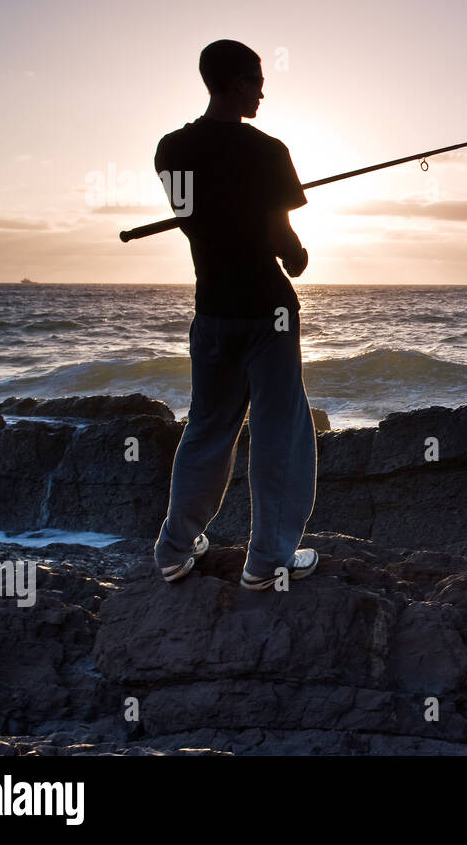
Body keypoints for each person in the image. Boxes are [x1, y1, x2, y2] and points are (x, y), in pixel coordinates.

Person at [152, 39, 320, 591]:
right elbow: (280, 239)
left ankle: (175, 549)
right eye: (255, 79)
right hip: (268, 311)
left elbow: (188, 220)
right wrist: (296, 256)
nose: (263, 89)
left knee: (207, 429)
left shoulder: (171, 150)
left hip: (212, 311)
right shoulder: (269, 151)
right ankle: (268, 559)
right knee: (279, 434)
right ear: (231, 81)